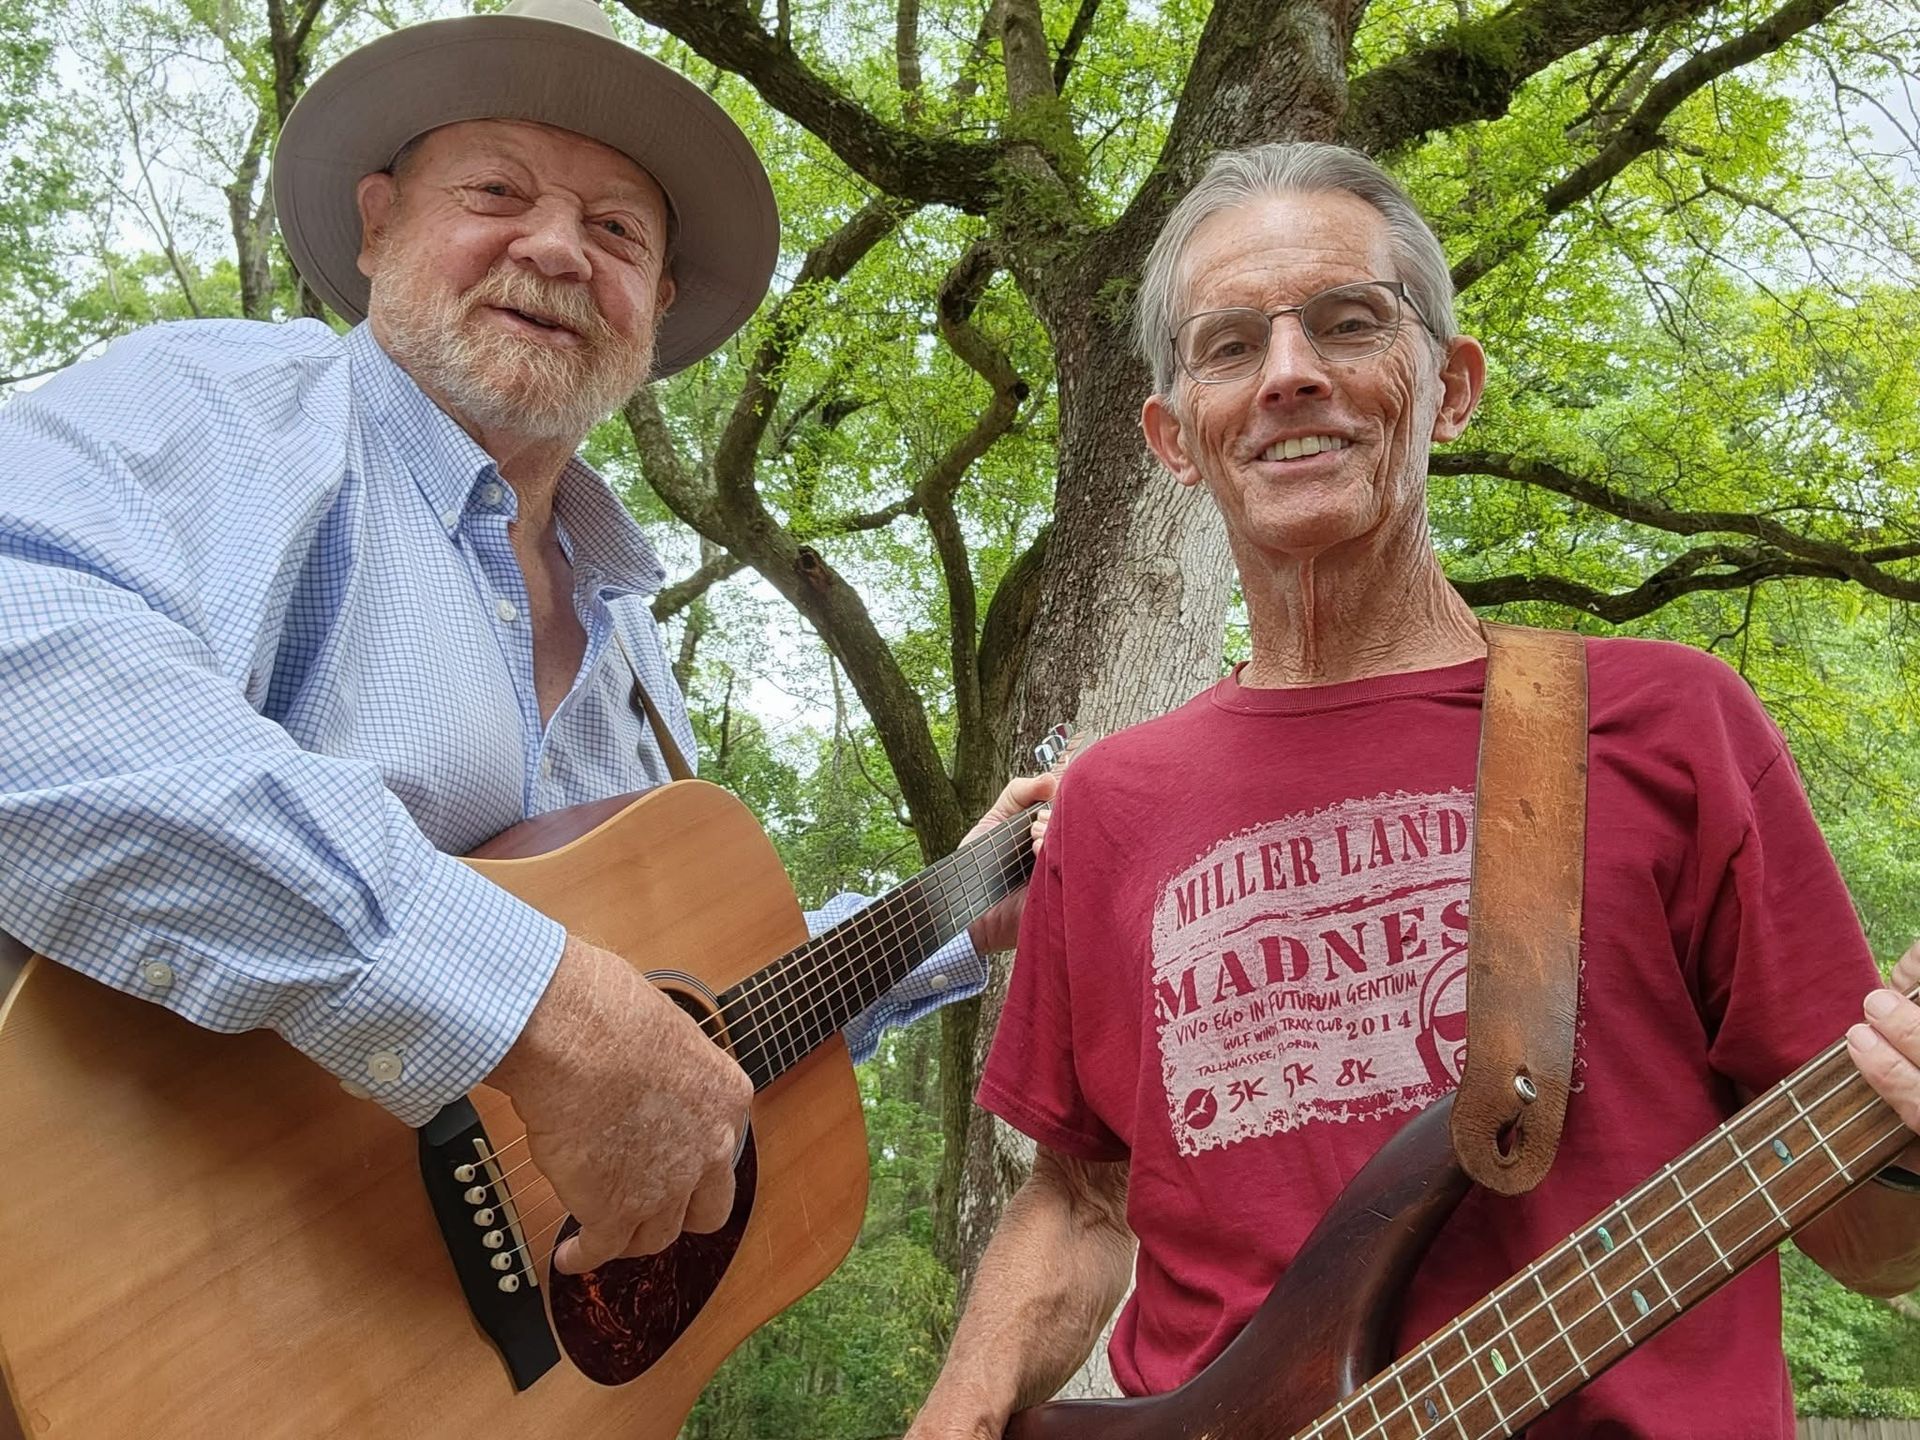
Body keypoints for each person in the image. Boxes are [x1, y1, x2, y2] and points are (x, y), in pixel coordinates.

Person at [0, 0, 1050, 1280]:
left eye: (615, 231)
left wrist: (963, 902)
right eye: (497, 190)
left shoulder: (633, 644)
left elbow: (686, 1019)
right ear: (380, 224)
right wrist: (526, 1001)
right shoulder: (226, 411)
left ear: (654, 304)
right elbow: (30, 672)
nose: (556, 250)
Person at [906, 141, 1920, 1440]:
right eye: (1229, 348)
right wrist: (957, 1415)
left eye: (1349, 323)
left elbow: (1870, 1237)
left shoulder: (1668, 723)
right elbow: (1078, 1199)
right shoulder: (1108, 804)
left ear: (1450, 387)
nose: (1289, 375)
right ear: (1172, 438)